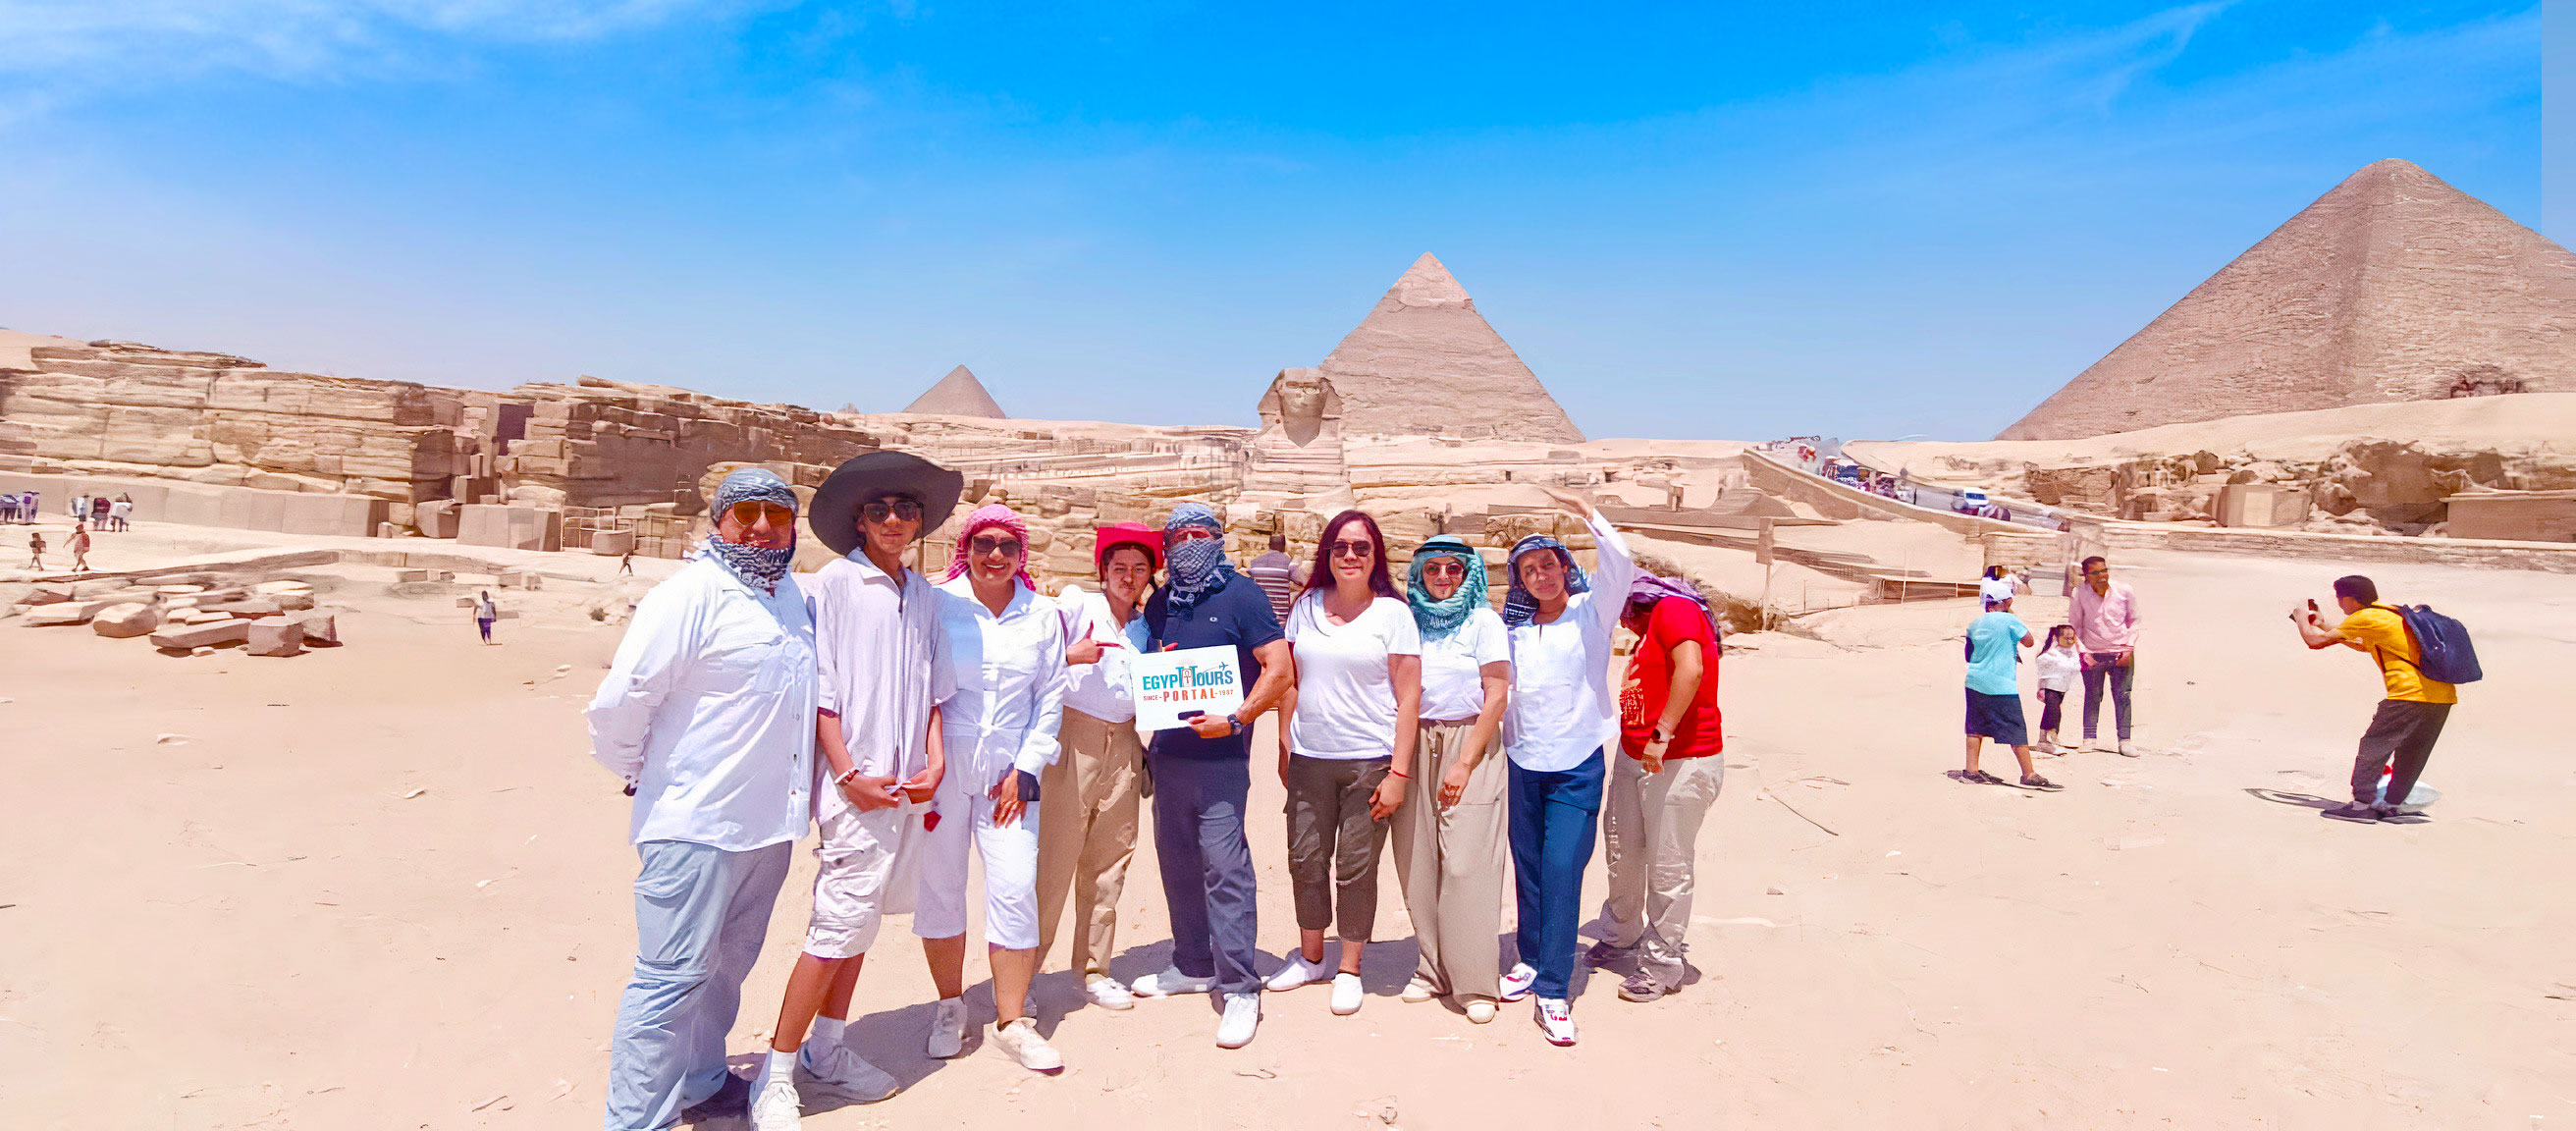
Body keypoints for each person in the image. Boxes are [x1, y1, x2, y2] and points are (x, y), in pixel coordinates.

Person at [588, 468, 817, 1131]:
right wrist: (640, 772)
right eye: (745, 512)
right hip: (696, 824)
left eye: (777, 514)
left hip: (767, 826)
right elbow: (622, 702)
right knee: (669, 980)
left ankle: (701, 1080)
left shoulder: (789, 597)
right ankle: (636, 1121)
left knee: (725, 971)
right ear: (717, 519)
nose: (761, 525)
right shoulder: (689, 595)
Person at [750, 450, 962, 1131]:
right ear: (859, 521)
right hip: (857, 786)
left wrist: (934, 764)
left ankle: (829, 1050)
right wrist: (845, 775)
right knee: (834, 926)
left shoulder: (925, 594)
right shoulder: (832, 586)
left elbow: (933, 689)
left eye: (906, 510)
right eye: (880, 511)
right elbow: (824, 690)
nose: (894, 521)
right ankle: (775, 1075)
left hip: (905, 789)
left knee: (860, 923)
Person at [1125, 502, 1295, 1051]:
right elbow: (1149, 665)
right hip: (1169, 756)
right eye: (1179, 535)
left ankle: (1241, 985)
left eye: (1201, 533)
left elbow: (1279, 668)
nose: (1190, 542)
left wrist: (1239, 718)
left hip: (1221, 760)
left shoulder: (1242, 594)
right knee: (1176, 863)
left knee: (1225, 868)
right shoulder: (1159, 602)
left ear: (1219, 538)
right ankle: (1194, 962)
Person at [919, 504, 1071, 1072]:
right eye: (985, 543)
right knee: (941, 887)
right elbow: (919, 685)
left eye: (1008, 545)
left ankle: (1012, 1019)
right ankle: (949, 1006)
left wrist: (1027, 767)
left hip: (1010, 771)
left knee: (1013, 887)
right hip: (945, 767)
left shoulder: (1041, 615)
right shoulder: (938, 603)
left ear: (1022, 554)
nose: (996, 556)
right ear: (967, 547)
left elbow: (1050, 696)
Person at [1496, 484, 1637, 1048]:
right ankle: (1531, 958)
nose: (1541, 577)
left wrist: (1587, 511)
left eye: (1549, 565)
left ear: (1565, 567)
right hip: (1523, 758)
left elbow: (1622, 566)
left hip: (1577, 761)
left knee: (1560, 870)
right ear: (1519, 580)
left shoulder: (1590, 613)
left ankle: (1554, 990)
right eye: (1529, 570)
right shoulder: (1511, 627)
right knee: (1528, 868)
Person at [1267, 511, 1421, 1016]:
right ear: (1326, 555)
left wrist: (1398, 773)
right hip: (1311, 755)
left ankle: (1349, 966)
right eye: (1340, 547)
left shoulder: (1394, 614)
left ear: (1376, 556)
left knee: (1356, 867)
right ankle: (1312, 955)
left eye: (1361, 548)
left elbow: (1408, 698)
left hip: (1369, 761)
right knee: (1305, 859)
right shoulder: (1306, 605)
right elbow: (1290, 679)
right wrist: (1285, 743)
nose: (1350, 556)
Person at [1034, 521, 1159, 1011]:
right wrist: (1070, 655)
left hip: (1125, 745)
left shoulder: (1146, 627)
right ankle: (1022, 974)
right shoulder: (1075, 606)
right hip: (1074, 739)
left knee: (1109, 861)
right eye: (1119, 567)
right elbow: (1033, 661)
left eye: (1139, 569)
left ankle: (1093, 968)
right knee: (1053, 862)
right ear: (1102, 570)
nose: (1128, 577)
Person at [1389, 535, 1511, 1024]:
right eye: (1433, 569)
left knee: (1466, 862)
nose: (1443, 577)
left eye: (1453, 569)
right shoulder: (1407, 620)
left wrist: (1464, 762)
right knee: (1417, 858)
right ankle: (1432, 969)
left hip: (1469, 744)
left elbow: (1497, 693)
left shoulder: (1484, 620)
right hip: (1415, 742)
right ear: (1418, 574)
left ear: (1469, 574)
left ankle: (1476, 980)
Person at [1588, 572, 1726, 1003]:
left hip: (1681, 760)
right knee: (1624, 850)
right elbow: (1640, 693)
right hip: (1636, 758)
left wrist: (1662, 733)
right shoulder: (1646, 633)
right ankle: (1621, 933)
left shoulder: (1674, 609)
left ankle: (1662, 964)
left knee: (1667, 864)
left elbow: (1692, 668)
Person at [2291, 575, 2458, 824]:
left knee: (2374, 746)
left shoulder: (2364, 617)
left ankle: (2361, 805)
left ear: (2348, 598)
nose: (2339, 604)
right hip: (2442, 695)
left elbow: (2314, 642)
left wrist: (2302, 620)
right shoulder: (2392, 612)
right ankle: (2391, 804)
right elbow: (2365, 644)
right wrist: (2325, 626)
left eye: (2339, 599)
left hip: (2408, 694)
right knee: (2413, 752)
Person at [1960, 595, 2060, 791]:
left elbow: (1968, 655)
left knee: (1975, 726)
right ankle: (2028, 774)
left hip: (1975, 681)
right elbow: (2029, 641)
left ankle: (1971, 771)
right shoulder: (2009, 620)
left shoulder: (1975, 624)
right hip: (2001, 685)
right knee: (2016, 728)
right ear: (2004, 603)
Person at [2070, 555, 2141, 756]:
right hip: (2093, 653)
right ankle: (2089, 739)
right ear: (2085, 575)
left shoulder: (2124, 591)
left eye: (2104, 571)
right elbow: (2076, 625)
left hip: (2121, 653)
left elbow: (2135, 621)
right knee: (2092, 696)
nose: (2101, 576)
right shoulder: (2079, 593)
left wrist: (2128, 649)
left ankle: (2125, 741)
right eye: (2095, 573)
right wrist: (2084, 653)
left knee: (2123, 696)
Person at [2032, 625, 2081, 754]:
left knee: (2054, 712)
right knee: (2053, 712)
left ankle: (2043, 741)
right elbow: (2042, 666)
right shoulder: (2051, 653)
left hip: (2062, 687)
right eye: (2066, 638)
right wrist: (2041, 687)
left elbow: (2075, 667)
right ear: (2056, 638)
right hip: (2051, 686)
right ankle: (2048, 740)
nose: (2070, 641)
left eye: (2072, 638)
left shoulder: (2072, 652)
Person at [1246, 533, 1304, 623]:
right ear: (1284, 547)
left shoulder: (1254, 563)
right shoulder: (1289, 563)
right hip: (1280, 621)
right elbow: (1303, 582)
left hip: (1259, 618)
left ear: (1269, 545)